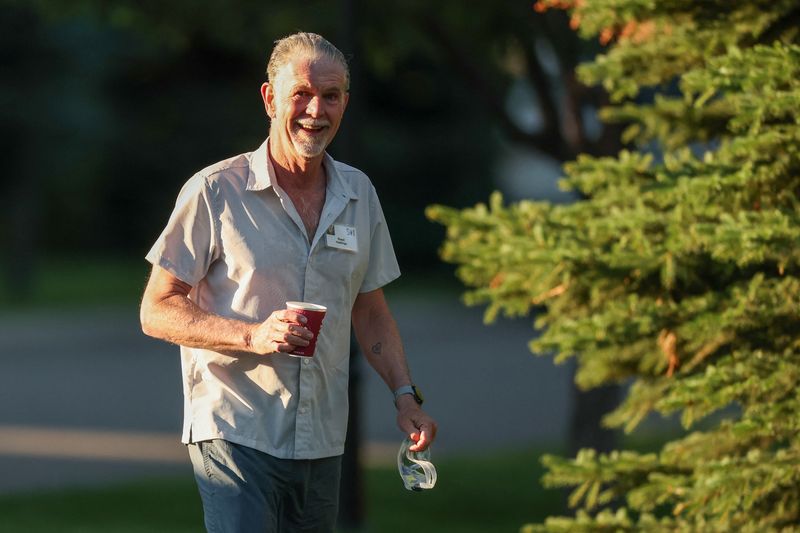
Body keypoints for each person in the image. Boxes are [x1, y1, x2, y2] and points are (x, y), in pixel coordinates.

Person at [140, 32, 438, 532]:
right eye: (301, 93)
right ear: (269, 98)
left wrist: (405, 398)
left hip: (322, 436)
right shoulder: (215, 190)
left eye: (331, 95)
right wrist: (253, 335)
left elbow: (370, 309)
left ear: (345, 101)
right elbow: (156, 309)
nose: (315, 110)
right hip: (235, 429)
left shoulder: (358, 194)